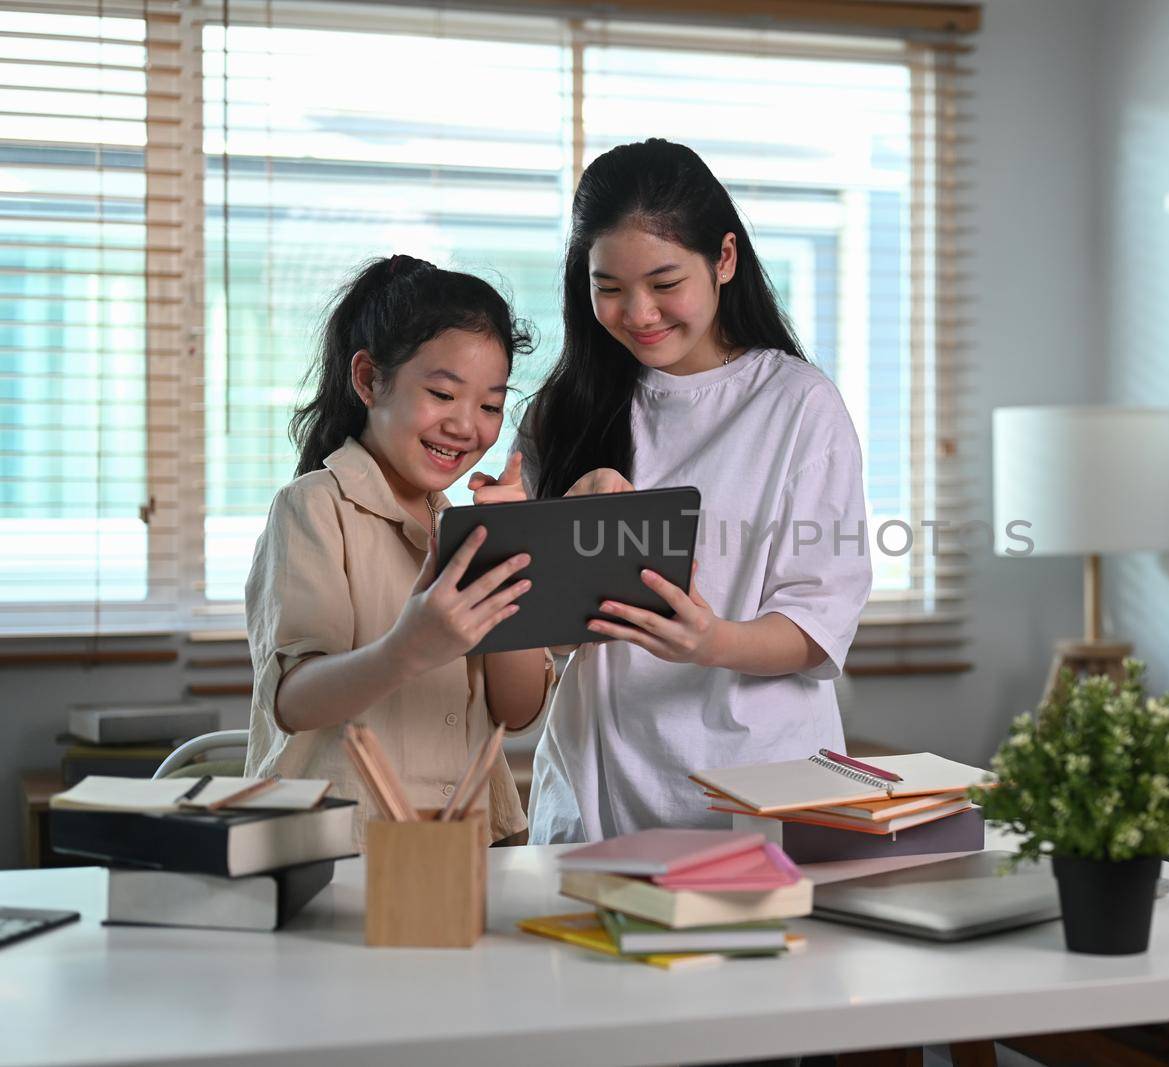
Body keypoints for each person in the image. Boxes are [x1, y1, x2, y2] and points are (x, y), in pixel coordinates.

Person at [518, 139, 873, 842]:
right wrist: (561, 533)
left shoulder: (798, 405)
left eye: (664, 282)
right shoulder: (560, 413)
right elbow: (544, 638)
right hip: (597, 791)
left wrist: (711, 639)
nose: (639, 313)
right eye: (610, 289)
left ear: (725, 259)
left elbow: (817, 625)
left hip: (761, 787)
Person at [244, 255, 553, 847]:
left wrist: (521, 547)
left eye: (490, 406)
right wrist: (407, 648)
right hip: (347, 846)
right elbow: (292, 699)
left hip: (468, 843)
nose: (467, 426)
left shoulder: (465, 527)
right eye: (442, 393)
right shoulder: (312, 508)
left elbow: (518, 713)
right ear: (368, 380)